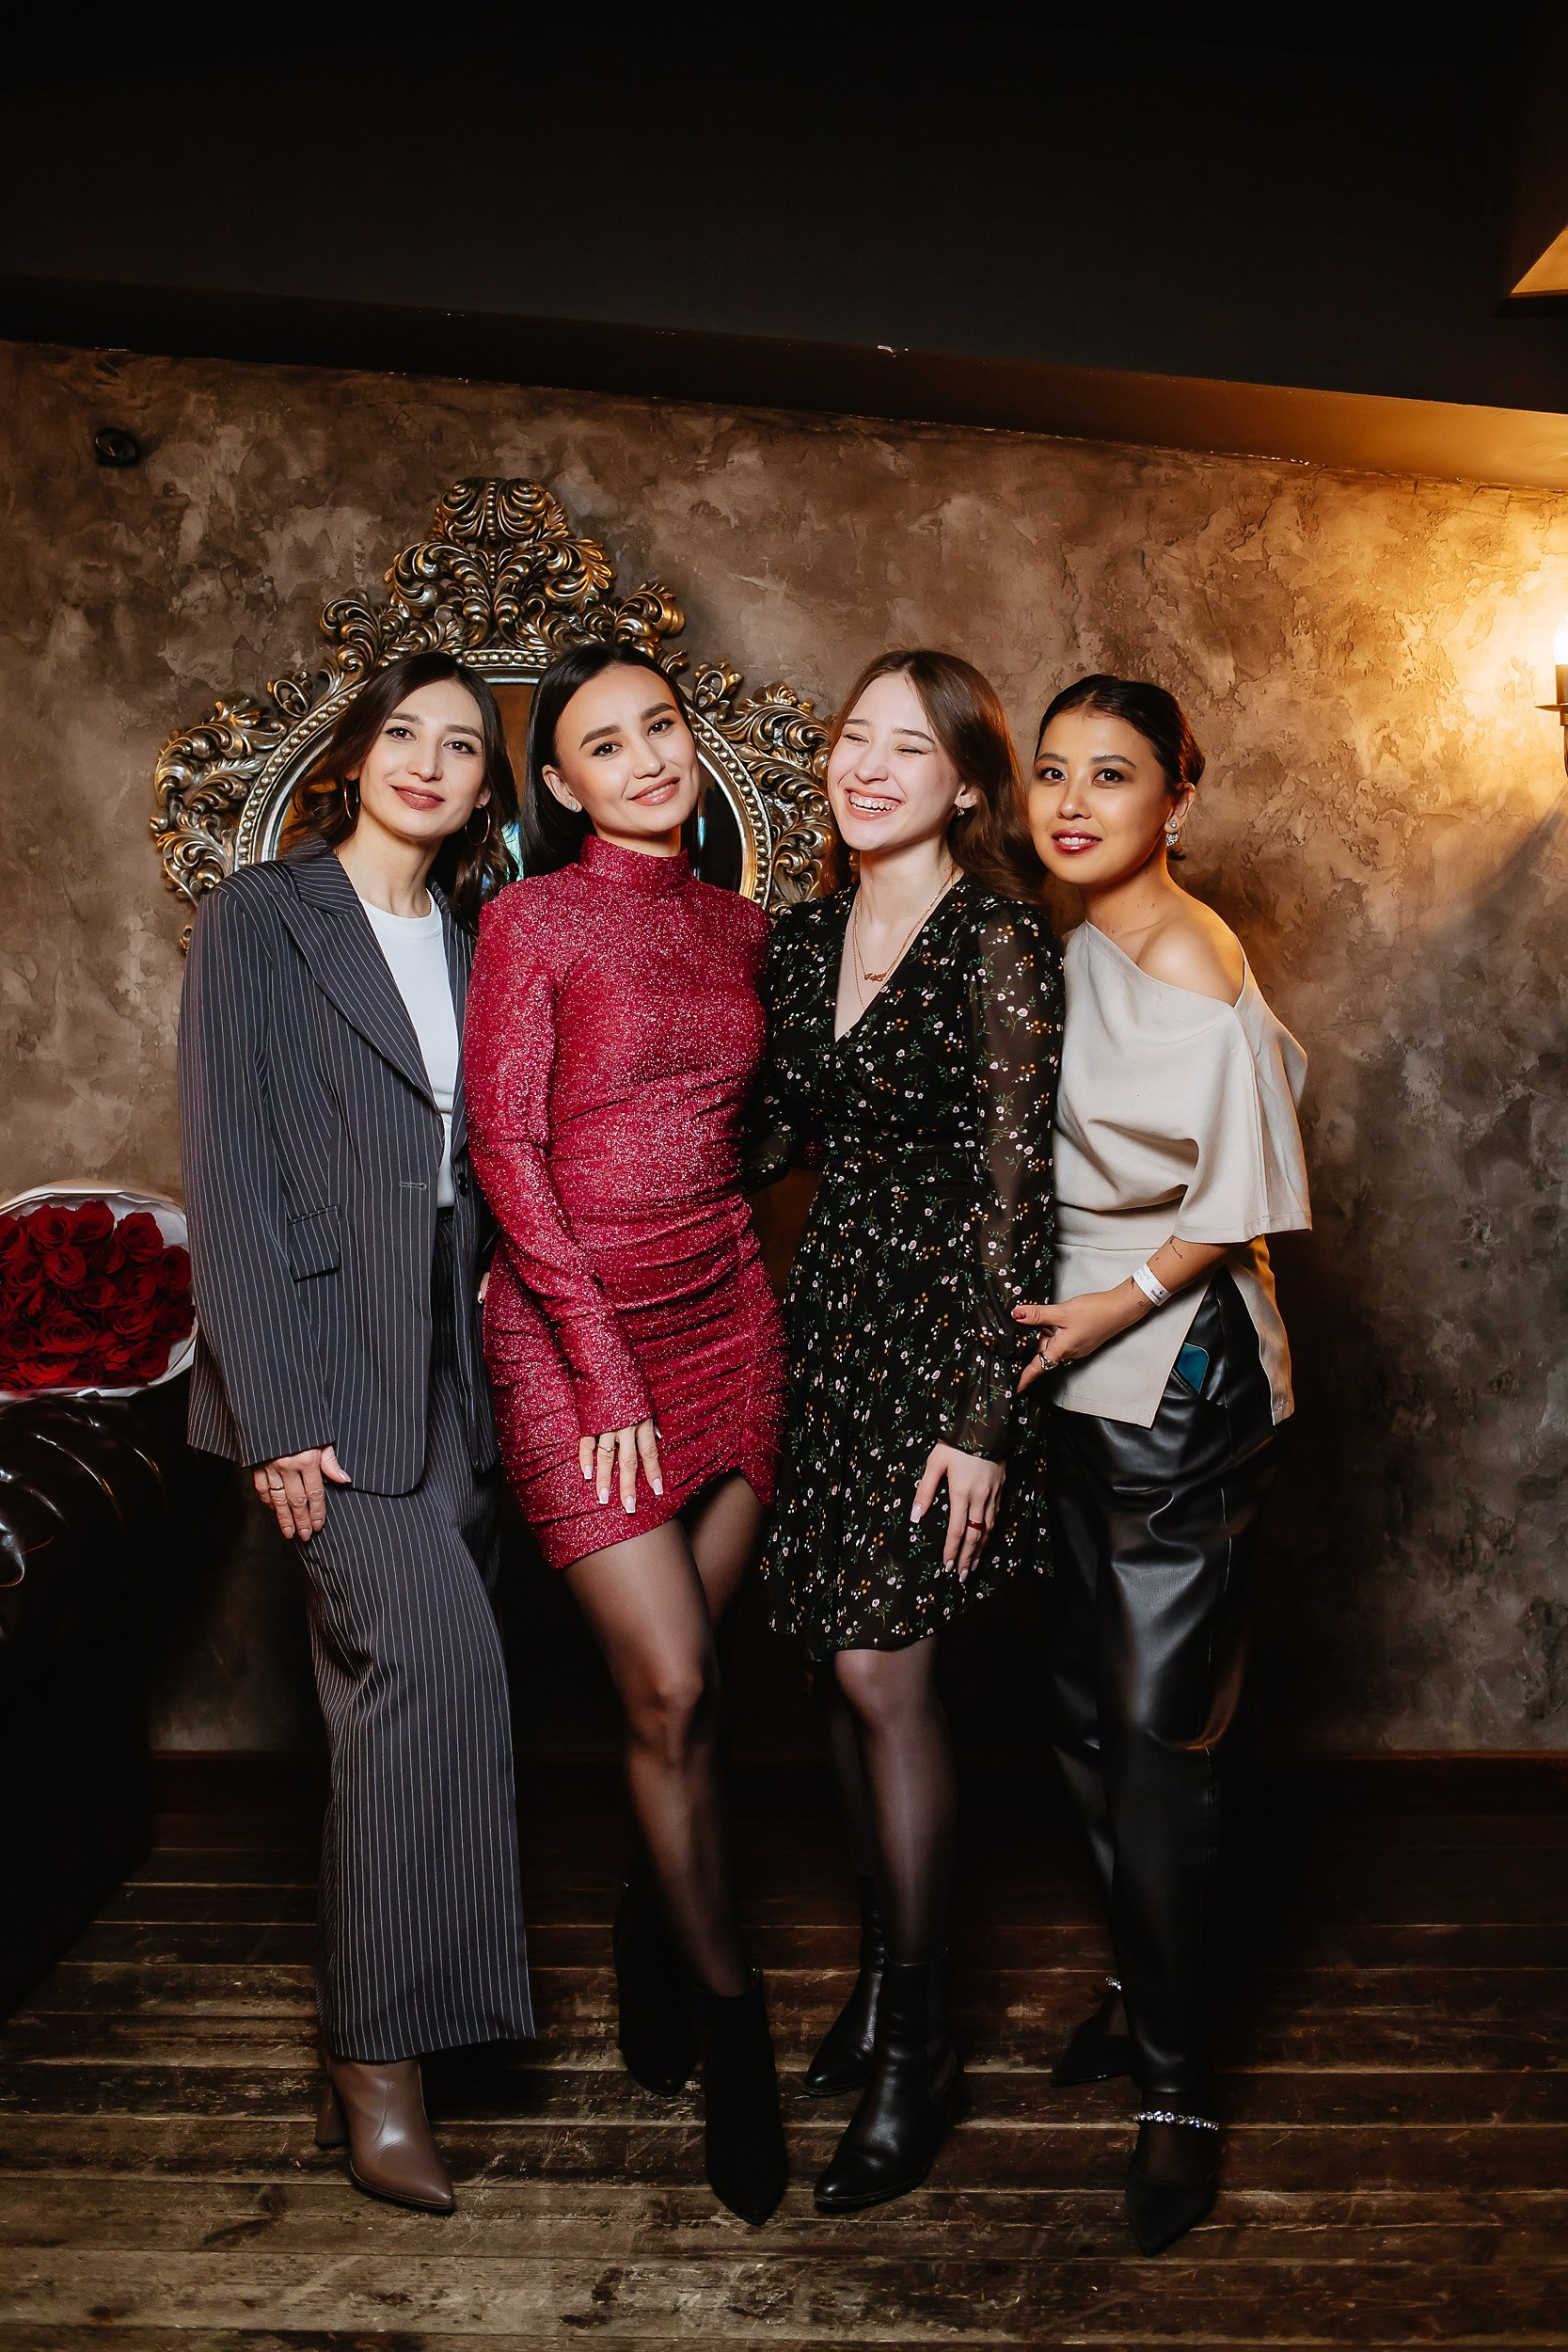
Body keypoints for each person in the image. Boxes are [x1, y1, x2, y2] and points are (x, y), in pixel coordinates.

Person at [179, 650, 531, 2214]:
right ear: (356, 752)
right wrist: (275, 1412)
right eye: (405, 732)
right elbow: (231, 1170)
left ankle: (407, 2034)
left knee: (400, 1713)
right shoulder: (262, 916)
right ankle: (376, 2062)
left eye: (462, 745)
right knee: (425, 1671)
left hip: (456, 1373)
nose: (430, 762)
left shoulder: (477, 936)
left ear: (484, 789)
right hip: (322, 1376)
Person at [464, 643, 788, 2226]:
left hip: (728, 1318)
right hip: (572, 1333)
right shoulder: (532, 920)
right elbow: (506, 1153)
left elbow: (767, 1126)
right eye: (607, 743)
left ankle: (654, 1908)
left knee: (697, 1686)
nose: (649, 759)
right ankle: (736, 2031)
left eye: (662, 726)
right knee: (670, 1686)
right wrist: (598, 1370)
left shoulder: (744, 927)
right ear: (562, 783)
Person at [748, 648, 1060, 2212]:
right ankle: (881, 1981)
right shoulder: (803, 936)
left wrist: (985, 1421)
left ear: (966, 786)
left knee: (887, 1672)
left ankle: (921, 2048)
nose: (867, 768)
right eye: (852, 738)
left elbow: (1018, 1191)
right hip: (828, 1324)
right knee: (829, 1657)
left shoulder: (997, 938)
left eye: (909, 748)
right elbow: (766, 1134)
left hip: (944, 1345)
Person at [1015, 674, 1311, 2255]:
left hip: (1176, 1368)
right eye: (1053, 772)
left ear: (1177, 800)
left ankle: (1185, 2091)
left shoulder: (1192, 955)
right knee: (1081, 1708)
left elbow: (1242, 1189)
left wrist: (1114, 1303)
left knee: (1151, 1735)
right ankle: (1144, 1982)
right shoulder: (1075, 941)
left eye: (1112, 775)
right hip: (1080, 1363)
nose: (1073, 803)